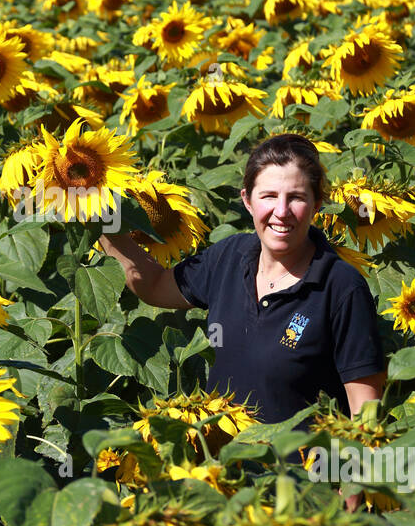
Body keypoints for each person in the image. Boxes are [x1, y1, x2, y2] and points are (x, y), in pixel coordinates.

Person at [99, 133, 387, 425]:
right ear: (247, 201)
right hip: (220, 467)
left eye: (297, 198)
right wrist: (98, 216)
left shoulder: (341, 287)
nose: (282, 212)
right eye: (269, 196)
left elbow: (365, 419)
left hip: (298, 468)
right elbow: (154, 286)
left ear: (317, 204)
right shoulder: (229, 257)